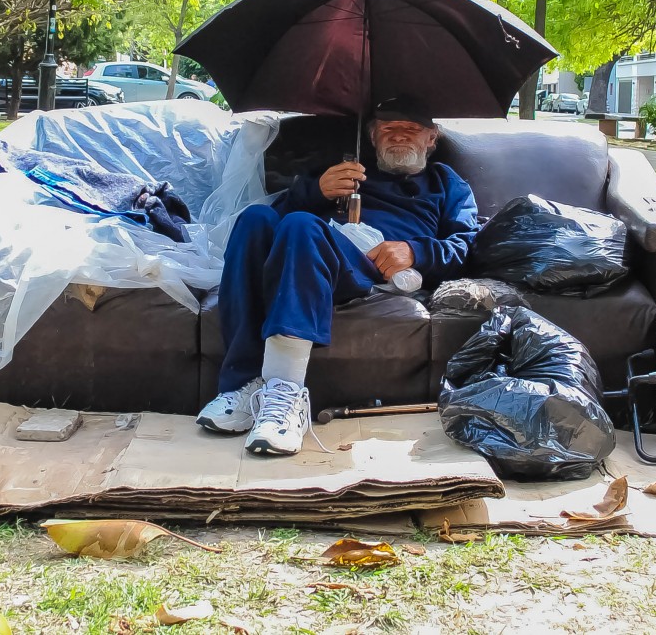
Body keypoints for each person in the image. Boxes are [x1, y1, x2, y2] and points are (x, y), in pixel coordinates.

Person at [196, 95, 480, 456]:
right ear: (373, 137)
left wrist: (416, 251)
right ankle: (243, 385)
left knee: (302, 226)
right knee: (255, 219)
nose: (398, 136)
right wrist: (315, 190)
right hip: (316, 250)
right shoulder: (348, 170)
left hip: (375, 270)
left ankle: (286, 397)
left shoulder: (446, 183)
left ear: (431, 139)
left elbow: (468, 245)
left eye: (411, 130)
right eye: (388, 129)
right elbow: (280, 217)